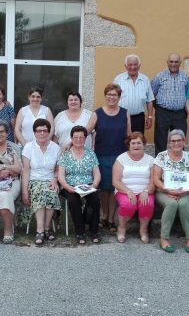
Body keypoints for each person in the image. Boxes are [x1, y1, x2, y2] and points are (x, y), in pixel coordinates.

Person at [86, 83, 131, 233]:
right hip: (101, 155)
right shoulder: (97, 113)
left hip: (120, 157)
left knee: (114, 189)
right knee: (104, 189)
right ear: (105, 96)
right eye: (109, 94)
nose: (112, 97)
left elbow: (129, 136)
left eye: (115, 95)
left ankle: (111, 219)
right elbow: (85, 131)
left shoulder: (125, 113)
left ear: (119, 97)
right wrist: (70, 142)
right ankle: (104, 217)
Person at [153, 129, 189, 253]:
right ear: (169, 143)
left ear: (184, 141)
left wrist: (183, 192)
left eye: (179, 140)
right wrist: (170, 191)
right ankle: (164, 238)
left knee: (183, 204)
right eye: (173, 141)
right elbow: (156, 179)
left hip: (186, 192)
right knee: (172, 203)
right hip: (164, 192)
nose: (176, 143)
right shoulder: (161, 156)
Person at [58, 126, 101, 244]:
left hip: (88, 185)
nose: (78, 140)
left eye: (81, 137)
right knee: (73, 201)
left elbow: (97, 173)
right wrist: (66, 186)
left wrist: (94, 184)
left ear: (85, 138)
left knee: (95, 199)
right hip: (70, 185)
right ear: (71, 138)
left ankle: (94, 231)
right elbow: (61, 175)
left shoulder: (90, 154)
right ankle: (80, 231)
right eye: (75, 137)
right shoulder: (65, 154)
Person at [22, 118, 61, 245]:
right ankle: (40, 230)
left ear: (49, 132)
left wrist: (55, 179)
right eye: (39, 131)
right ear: (34, 133)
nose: (42, 133)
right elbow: (26, 170)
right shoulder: (29, 147)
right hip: (34, 180)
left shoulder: (55, 147)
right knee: (40, 191)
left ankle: (46, 228)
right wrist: (25, 191)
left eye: (45, 130)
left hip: (50, 179)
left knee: (51, 192)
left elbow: (58, 168)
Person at [112, 132, 155, 244]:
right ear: (129, 145)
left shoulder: (150, 160)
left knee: (147, 204)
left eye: (139, 143)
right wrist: (128, 191)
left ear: (144, 144)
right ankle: (121, 228)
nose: (136, 146)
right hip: (124, 190)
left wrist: (146, 191)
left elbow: (153, 180)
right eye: (133, 143)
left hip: (145, 191)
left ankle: (143, 230)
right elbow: (115, 181)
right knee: (128, 204)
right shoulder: (121, 159)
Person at [151, 53, 189, 155]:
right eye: (171, 61)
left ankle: (179, 165)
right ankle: (160, 165)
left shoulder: (186, 77)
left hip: (180, 114)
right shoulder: (159, 76)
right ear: (167, 62)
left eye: (176, 62)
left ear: (180, 63)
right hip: (162, 113)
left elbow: (188, 95)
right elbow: (151, 95)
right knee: (160, 140)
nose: (173, 64)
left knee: (179, 140)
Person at [113, 54, 154, 134]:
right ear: (125, 66)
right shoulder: (118, 79)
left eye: (135, 64)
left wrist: (150, 117)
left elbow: (150, 100)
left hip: (138, 118)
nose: (133, 67)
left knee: (137, 142)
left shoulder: (145, 79)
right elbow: (113, 98)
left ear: (139, 66)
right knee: (121, 141)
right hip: (121, 116)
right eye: (130, 65)